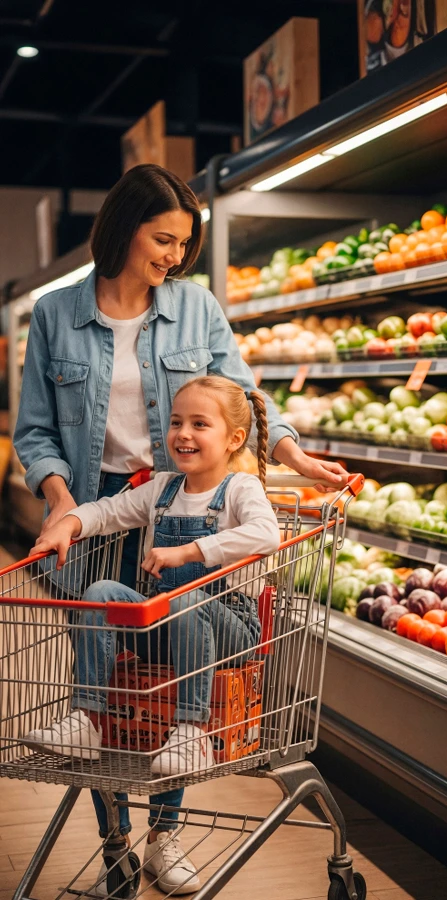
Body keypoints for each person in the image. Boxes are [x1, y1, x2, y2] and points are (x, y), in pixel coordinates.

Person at [14, 163, 346, 894]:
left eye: (182, 246)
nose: (172, 257)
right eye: (162, 239)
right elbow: (34, 433)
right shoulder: (57, 315)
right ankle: (114, 839)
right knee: (100, 681)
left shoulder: (196, 309)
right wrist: (65, 503)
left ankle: (165, 835)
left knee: (174, 673)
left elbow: (243, 402)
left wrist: (289, 453)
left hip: (184, 498)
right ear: (123, 227)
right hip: (96, 510)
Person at [25, 375, 281, 892]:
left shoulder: (241, 488)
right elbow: (108, 511)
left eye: (199, 424)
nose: (183, 434)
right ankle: (88, 718)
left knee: (181, 599)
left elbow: (266, 533)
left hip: (228, 630)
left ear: (233, 439)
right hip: (167, 628)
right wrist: (70, 525)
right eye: (176, 422)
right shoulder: (163, 489)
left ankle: (189, 734)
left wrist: (189, 553)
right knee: (99, 592)